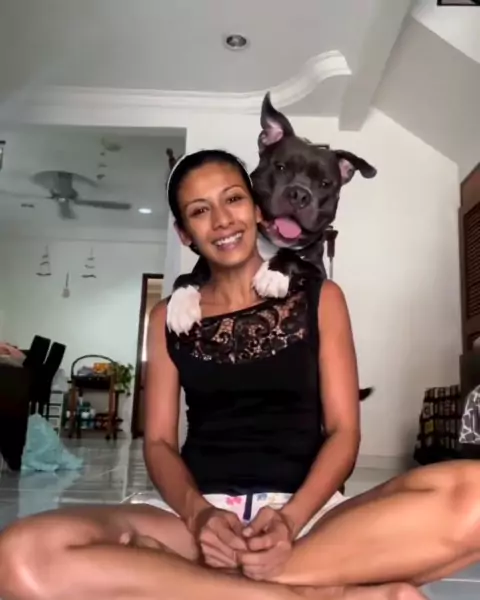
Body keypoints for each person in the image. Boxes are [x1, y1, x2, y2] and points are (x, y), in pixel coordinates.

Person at [1, 150, 480, 600]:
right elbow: (160, 443)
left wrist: (290, 521)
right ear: (184, 233)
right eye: (199, 210)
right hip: (196, 521)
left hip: (309, 518)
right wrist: (199, 515)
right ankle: (319, 590)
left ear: (256, 210)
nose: (222, 220)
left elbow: (344, 432)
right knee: (20, 556)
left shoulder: (321, 298)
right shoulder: (166, 317)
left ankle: (203, 584)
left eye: (233, 199)